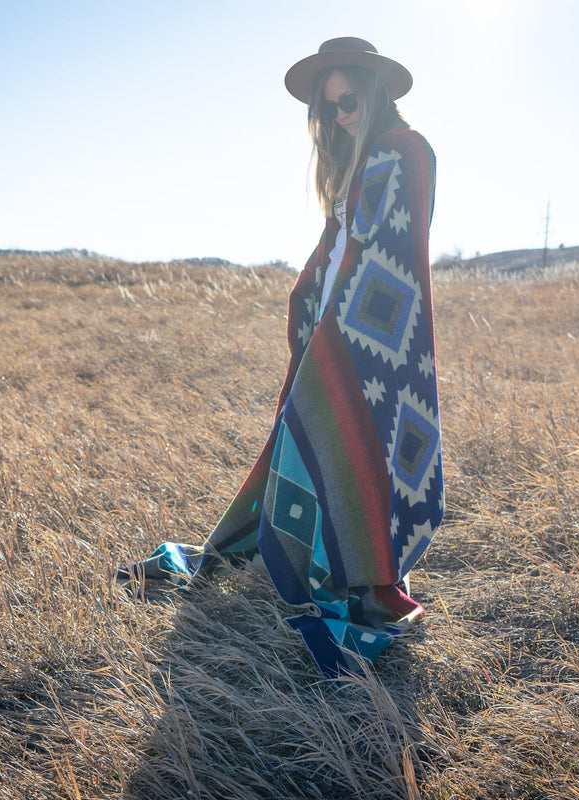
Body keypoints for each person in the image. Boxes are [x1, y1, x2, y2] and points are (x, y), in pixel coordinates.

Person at [122, 37, 442, 678]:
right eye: (328, 111)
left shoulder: (407, 150)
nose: (340, 117)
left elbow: (391, 252)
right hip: (334, 322)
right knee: (310, 445)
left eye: (348, 102)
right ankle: (319, 561)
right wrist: (312, 299)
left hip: (372, 337)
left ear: (373, 91)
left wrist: (345, 315)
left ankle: (356, 577)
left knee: (342, 446)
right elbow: (338, 243)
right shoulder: (356, 162)